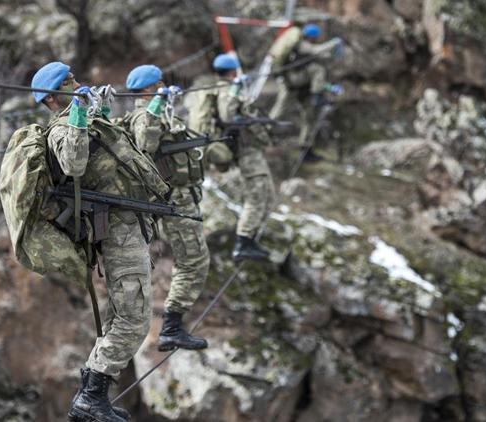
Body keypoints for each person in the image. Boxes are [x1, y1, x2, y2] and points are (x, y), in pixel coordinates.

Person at [31, 61, 170, 422]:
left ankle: (95, 395)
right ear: (50, 99)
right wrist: (78, 111)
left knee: (122, 315)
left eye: (74, 77)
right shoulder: (60, 129)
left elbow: (119, 152)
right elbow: (73, 163)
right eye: (67, 83)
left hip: (130, 224)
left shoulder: (86, 118)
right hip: (116, 230)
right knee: (134, 319)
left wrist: (100, 111)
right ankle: (90, 396)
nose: (76, 83)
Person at [122, 64, 209, 352]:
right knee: (193, 262)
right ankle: (171, 327)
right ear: (147, 89)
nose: (163, 87)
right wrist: (157, 103)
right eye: (158, 84)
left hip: (185, 199)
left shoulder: (160, 112)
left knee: (194, 261)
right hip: (174, 202)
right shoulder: (142, 115)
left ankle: (173, 325)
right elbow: (145, 141)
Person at [188, 53, 275, 261]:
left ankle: (250, 238)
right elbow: (228, 115)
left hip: (243, 148)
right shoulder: (228, 89)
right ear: (234, 71)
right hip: (245, 150)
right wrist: (236, 89)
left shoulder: (217, 88)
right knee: (257, 195)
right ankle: (244, 241)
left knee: (267, 193)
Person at [268, 23, 343, 161]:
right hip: (294, 83)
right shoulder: (302, 45)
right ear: (312, 37)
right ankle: (265, 133)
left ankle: (306, 148)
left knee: (309, 117)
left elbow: (318, 69)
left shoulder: (305, 51)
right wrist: (333, 43)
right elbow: (317, 52)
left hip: (302, 86)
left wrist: (329, 88)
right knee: (280, 111)